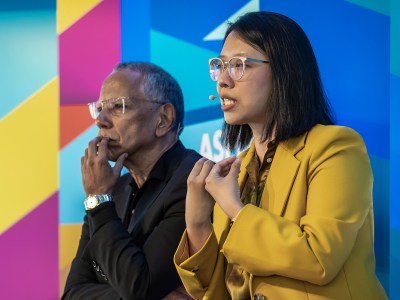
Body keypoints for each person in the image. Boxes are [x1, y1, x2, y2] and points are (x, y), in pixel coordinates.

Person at [174, 11, 388, 300]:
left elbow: (318, 257)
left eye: (238, 65)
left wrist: (235, 210)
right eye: (219, 65)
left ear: (285, 71)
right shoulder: (238, 170)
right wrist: (197, 223)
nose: (222, 80)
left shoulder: (336, 146)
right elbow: (217, 292)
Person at [62, 62, 201, 300]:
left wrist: (99, 200)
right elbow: (72, 294)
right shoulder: (110, 189)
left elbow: (140, 288)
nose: (101, 120)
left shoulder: (194, 181)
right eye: (99, 108)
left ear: (163, 119)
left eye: (118, 106)